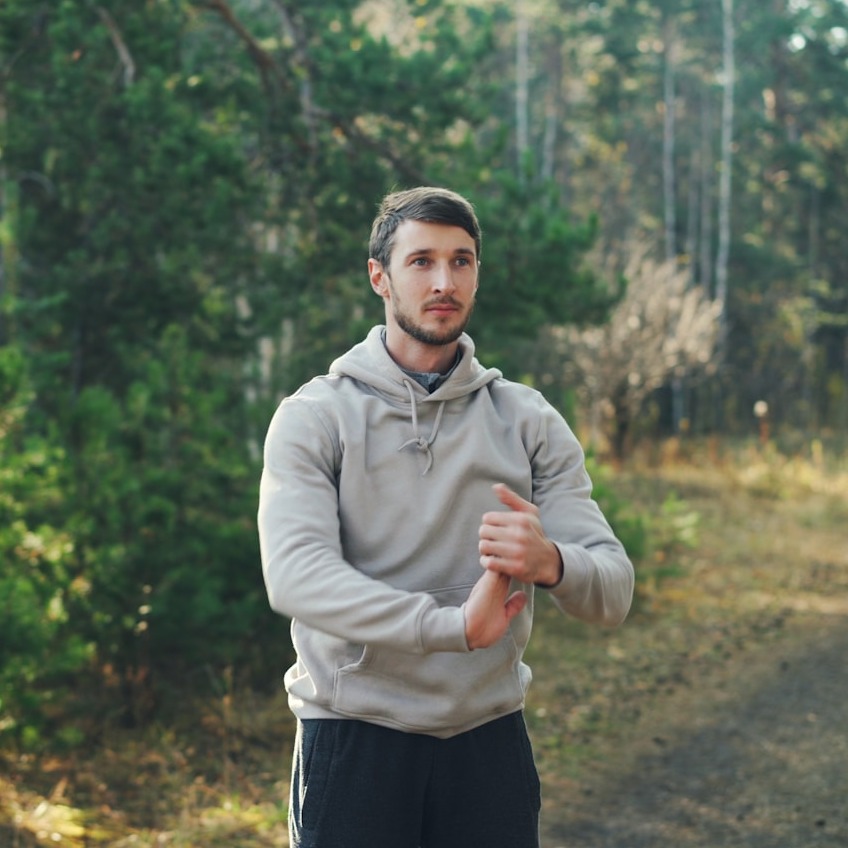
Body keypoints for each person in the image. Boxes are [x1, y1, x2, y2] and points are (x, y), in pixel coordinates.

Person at [257, 186, 634, 848]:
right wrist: (451, 628)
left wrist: (551, 562)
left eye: (461, 262)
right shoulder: (316, 416)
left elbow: (613, 592)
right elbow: (297, 579)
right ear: (380, 276)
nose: (444, 281)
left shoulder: (526, 419)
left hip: (487, 745)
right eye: (422, 261)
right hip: (352, 741)